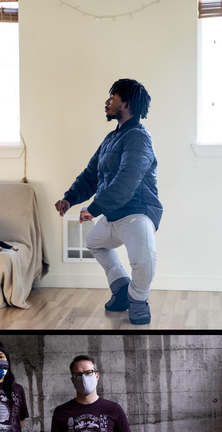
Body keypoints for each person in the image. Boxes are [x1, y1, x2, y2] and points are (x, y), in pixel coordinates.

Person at [54, 79, 161, 325]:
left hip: (136, 213)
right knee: (94, 241)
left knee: (144, 262)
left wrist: (93, 209)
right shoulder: (112, 138)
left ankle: (137, 299)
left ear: (126, 103)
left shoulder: (139, 138)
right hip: (113, 214)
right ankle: (121, 289)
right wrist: (69, 198)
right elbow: (91, 175)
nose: (107, 102)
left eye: (112, 98)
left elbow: (126, 180)